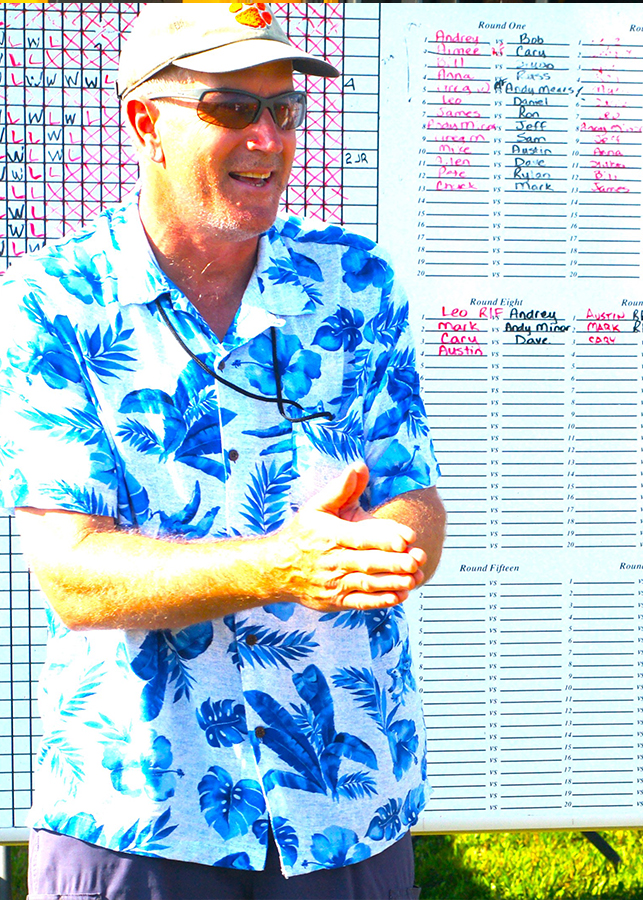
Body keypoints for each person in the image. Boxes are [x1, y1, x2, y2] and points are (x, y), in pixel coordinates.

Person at [0, 5, 444, 897]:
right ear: (146, 124)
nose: (270, 139)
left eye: (285, 111)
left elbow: (415, 498)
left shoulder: (357, 283)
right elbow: (72, 574)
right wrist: (280, 565)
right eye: (233, 108)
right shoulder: (50, 301)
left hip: (346, 806)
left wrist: (388, 542)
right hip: (143, 818)